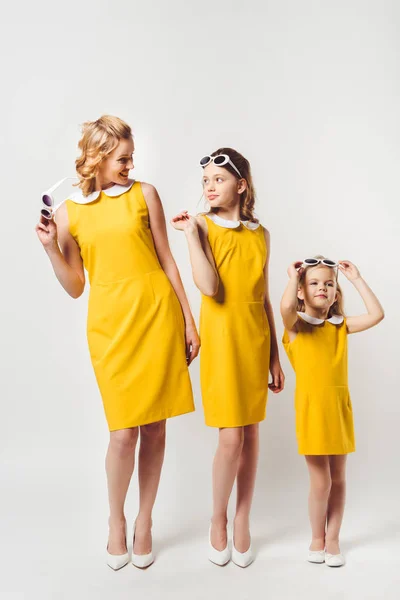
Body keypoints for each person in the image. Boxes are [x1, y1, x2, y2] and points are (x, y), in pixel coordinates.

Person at [35, 115, 198, 570]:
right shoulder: (68, 213)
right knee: (123, 433)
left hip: (157, 315)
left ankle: (144, 522)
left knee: (156, 428)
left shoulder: (146, 195)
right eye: (122, 158)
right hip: (110, 326)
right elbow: (74, 285)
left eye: (131, 157)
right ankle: (115, 520)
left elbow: (167, 259)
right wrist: (51, 247)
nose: (130, 164)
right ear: (98, 158)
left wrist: (188, 320)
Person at [171, 148, 284, 567]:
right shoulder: (200, 225)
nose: (209, 188)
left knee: (252, 436)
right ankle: (217, 519)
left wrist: (275, 357)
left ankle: (242, 519)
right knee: (231, 438)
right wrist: (189, 237)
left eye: (217, 180)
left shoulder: (261, 234)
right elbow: (209, 288)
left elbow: (264, 298)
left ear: (241, 185)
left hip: (254, 341)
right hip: (222, 342)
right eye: (205, 182)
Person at [281, 256, 384, 567]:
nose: (322, 288)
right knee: (321, 481)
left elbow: (377, 314)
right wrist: (292, 277)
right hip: (312, 411)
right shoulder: (297, 327)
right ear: (301, 292)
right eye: (313, 283)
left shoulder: (340, 327)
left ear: (336, 294)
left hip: (339, 409)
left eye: (329, 284)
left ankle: (333, 538)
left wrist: (355, 278)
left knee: (338, 478)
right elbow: (285, 309)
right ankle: (316, 537)